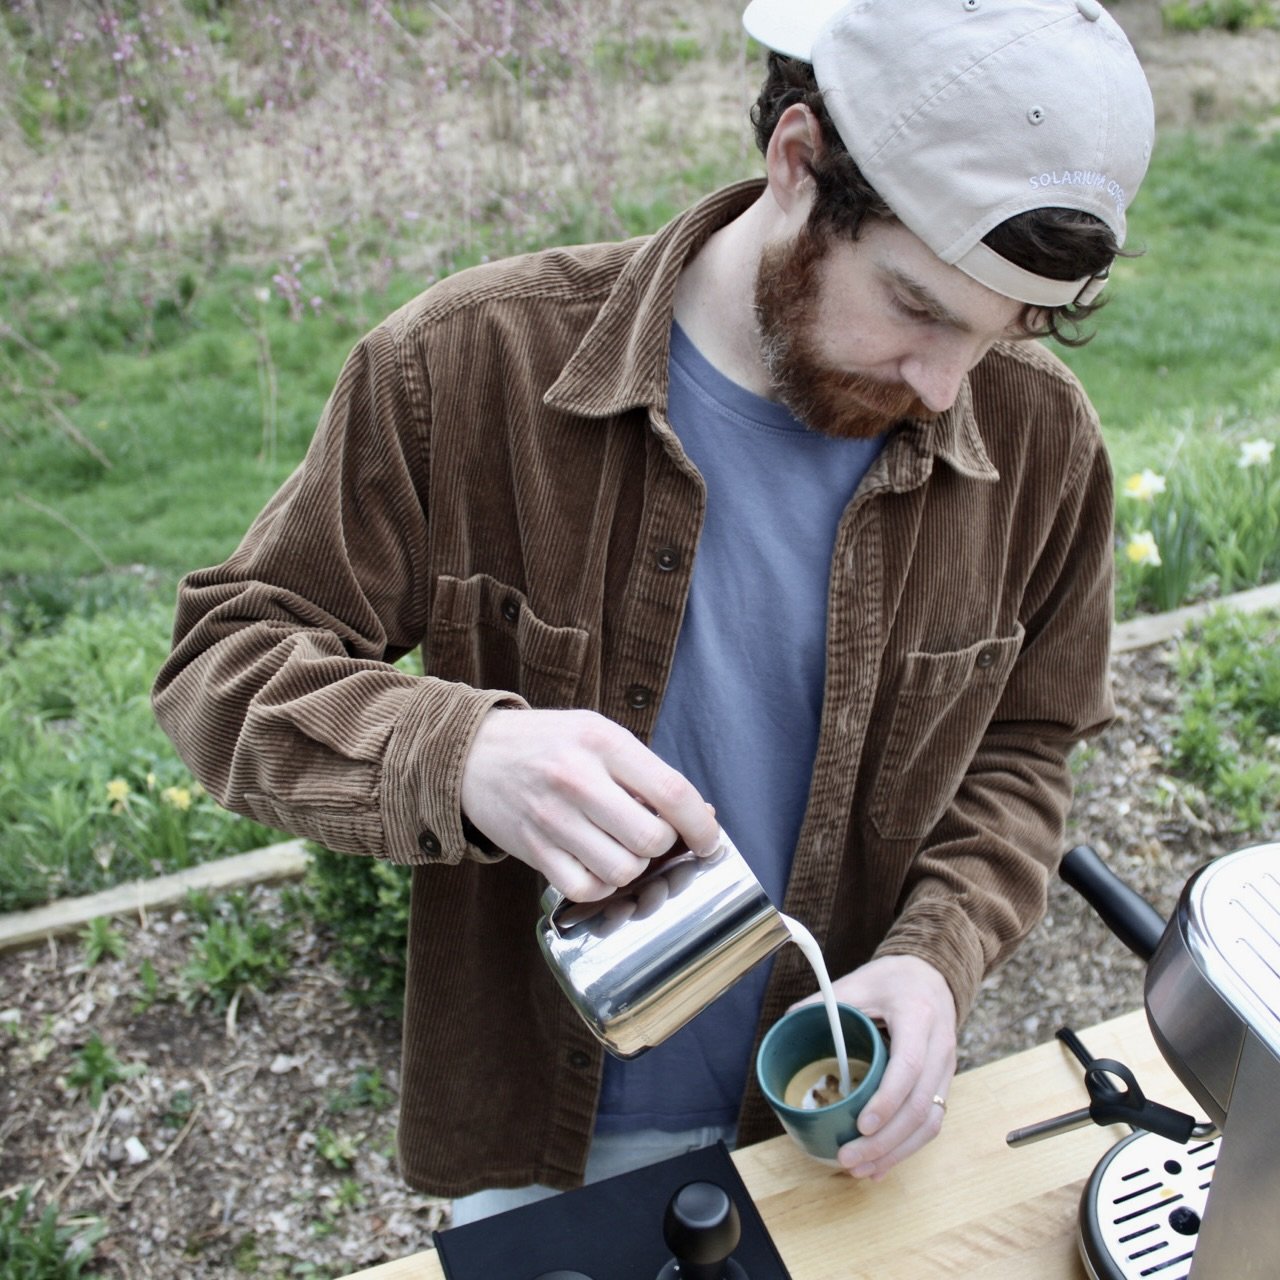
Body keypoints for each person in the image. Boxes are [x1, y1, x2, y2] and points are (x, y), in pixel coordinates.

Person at [152, 0, 1155, 1221]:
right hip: (542, 1134)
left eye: (999, 332)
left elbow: (1024, 744)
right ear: (797, 164)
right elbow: (224, 656)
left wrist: (933, 955)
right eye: (917, 307)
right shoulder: (469, 369)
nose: (945, 387)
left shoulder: (1041, 440)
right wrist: (462, 753)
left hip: (830, 1127)